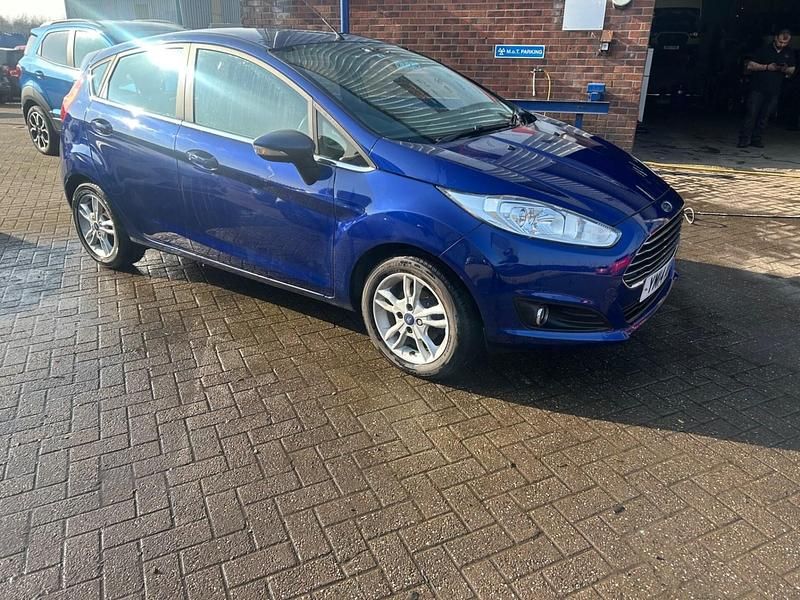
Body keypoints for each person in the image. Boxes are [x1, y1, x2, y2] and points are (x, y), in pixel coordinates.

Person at [738, 29, 796, 148]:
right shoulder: (763, 49)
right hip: (758, 88)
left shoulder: (789, 52)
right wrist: (767, 67)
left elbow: (793, 70)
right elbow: (749, 65)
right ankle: (744, 139)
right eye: (780, 42)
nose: (782, 45)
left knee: (765, 116)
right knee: (751, 114)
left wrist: (783, 69)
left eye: (785, 43)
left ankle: (757, 139)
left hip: (774, 90)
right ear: (775, 38)